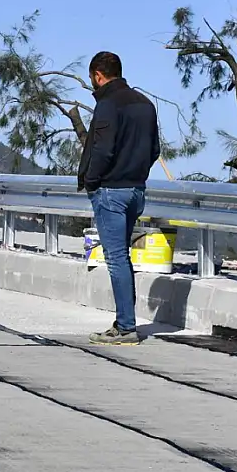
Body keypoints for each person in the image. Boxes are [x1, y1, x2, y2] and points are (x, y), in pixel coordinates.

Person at [77, 51, 161, 346]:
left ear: (98, 75)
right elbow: (154, 150)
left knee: (116, 259)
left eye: (93, 81)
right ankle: (122, 322)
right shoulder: (145, 104)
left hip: (111, 191)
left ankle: (126, 327)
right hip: (136, 190)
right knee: (122, 257)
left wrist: (91, 181)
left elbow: (102, 150)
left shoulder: (108, 104)